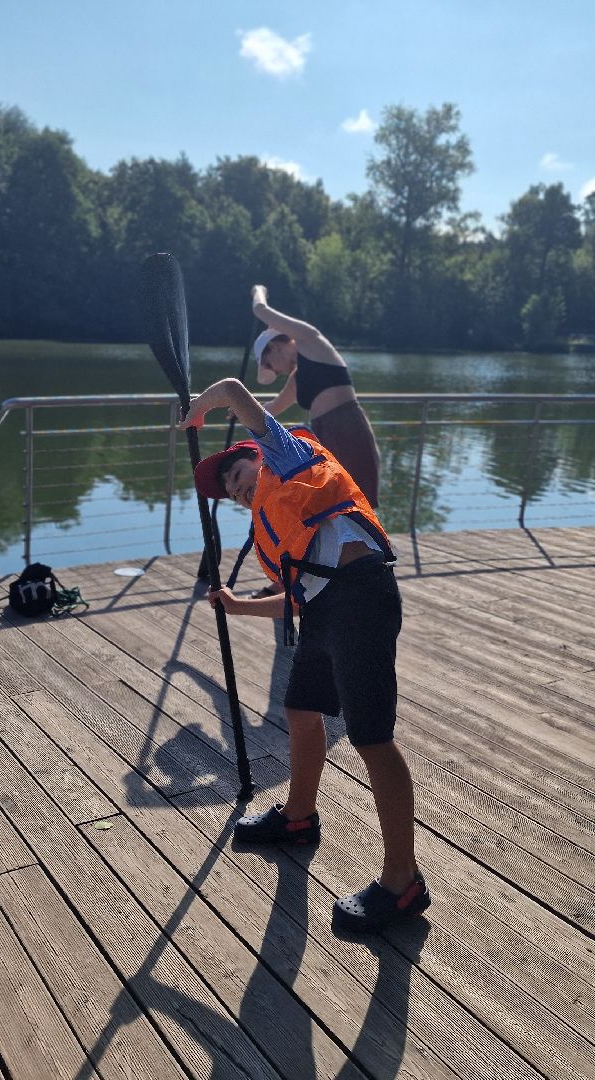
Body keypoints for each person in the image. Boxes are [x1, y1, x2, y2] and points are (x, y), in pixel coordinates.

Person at [183, 375, 430, 934]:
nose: (235, 487)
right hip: (324, 611)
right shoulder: (280, 521)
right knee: (300, 711)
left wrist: (201, 406)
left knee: (372, 738)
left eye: (237, 474)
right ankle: (298, 818)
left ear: (258, 457)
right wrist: (237, 605)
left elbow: (235, 390)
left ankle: (402, 882)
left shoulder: (286, 456)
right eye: (228, 490)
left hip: (362, 600)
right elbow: (298, 599)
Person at [250, 284, 381, 508]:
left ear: (274, 346)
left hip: (349, 430)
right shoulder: (298, 378)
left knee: (361, 506)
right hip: (325, 438)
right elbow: (272, 407)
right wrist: (241, 408)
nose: (277, 372)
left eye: (270, 365)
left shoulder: (310, 341)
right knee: (339, 511)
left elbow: (260, 310)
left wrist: (258, 290)